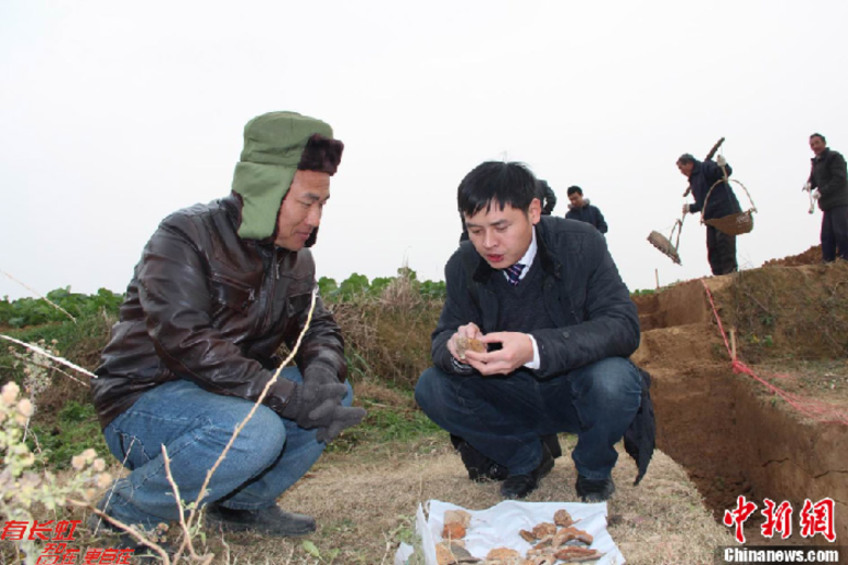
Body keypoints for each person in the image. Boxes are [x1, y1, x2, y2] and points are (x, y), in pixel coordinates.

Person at [90, 111, 366, 548]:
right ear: (266, 189)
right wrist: (284, 396)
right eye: (306, 202)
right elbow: (184, 339)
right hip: (143, 402)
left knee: (334, 391)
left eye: (322, 205)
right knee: (255, 430)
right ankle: (124, 512)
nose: (314, 219)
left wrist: (320, 374)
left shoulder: (296, 259)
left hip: (230, 400)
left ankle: (241, 505)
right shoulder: (186, 234)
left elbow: (319, 327)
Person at [415, 161, 650, 502]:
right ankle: (526, 459)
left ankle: (593, 469)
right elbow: (442, 338)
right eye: (475, 230)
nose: (488, 243)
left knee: (616, 380)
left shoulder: (582, 245)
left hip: (576, 387)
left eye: (500, 227)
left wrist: (535, 347)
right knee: (431, 387)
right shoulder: (464, 264)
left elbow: (623, 326)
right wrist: (457, 348)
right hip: (510, 395)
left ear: (534, 211)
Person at [677, 152, 742, 275]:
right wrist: (691, 208)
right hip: (710, 218)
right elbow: (703, 202)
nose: (681, 171)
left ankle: (730, 274)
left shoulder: (706, 167)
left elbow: (722, 172)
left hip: (724, 213)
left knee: (724, 245)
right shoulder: (694, 180)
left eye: (681, 167)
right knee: (713, 249)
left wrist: (724, 165)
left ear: (689, 164)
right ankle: (718, 278)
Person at [805, 133, 848, 261]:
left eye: (817, 143)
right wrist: (809, 184)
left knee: (841, 231)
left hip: (840, 201)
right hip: (827, 204)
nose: (815, 146)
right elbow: (814, 179)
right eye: (812, 144)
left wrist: (822, 191)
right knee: (827, 235)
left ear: (824, 143)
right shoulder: (816, 162)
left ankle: (845, 258)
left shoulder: (834, 157)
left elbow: (840, 178)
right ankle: (828, 261)